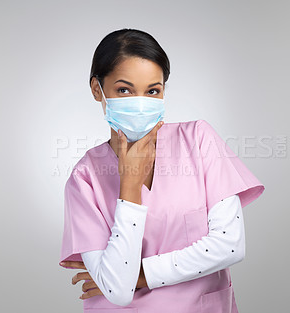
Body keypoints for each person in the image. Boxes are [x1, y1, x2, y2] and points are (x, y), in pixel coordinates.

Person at [59, 28, 265, 313]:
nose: (140, 101)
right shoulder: (85, 178)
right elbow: (117, 292)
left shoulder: (199, 140)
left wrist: (140, 276)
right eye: (124, 90)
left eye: (152, 90)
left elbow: (229, 246)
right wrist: (129, 188)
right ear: (98, 90)